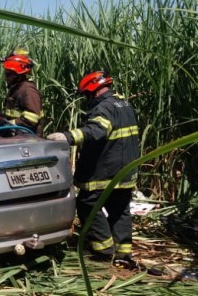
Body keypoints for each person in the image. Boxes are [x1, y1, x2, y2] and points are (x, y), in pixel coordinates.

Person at [46, 71, 140, 270]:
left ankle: (103, 250)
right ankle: (123, 254)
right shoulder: (122, 103)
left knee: (88, 204)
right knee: (120, 210)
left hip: (107, 170)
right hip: (126, 169)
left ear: (92, 91)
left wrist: (67, 137)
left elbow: (96, 131)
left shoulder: (103, 108)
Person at [0, 48, 44, 137]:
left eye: (8, 75)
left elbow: (32, 118)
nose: (6, 78)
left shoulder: (28, 89)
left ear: (17, 75)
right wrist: (4, 119)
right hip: (17, 137)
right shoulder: (16, 88)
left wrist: (8, 124)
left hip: (29, 140)